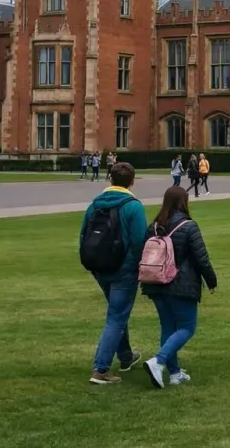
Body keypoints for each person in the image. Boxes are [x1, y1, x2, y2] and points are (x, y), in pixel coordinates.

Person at [141, 186, 217, 388]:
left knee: (168, 327)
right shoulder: (189, 226)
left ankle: (174, 373)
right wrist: (211, 280)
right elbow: (202, 259)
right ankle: (158, 361)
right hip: (181, 284)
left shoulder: (154, 226)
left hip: (155, 282)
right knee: (186, 327)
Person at [79, 162, 147, 384]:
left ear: (110, 179)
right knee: (117, 316)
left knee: (117, 312)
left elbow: (83, 236)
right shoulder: (133, 206)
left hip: (100, 267)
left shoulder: (94, 205)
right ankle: (100, 369)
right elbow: (139, 242)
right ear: (132, 181)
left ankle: (126, 357)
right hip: (123, 270)